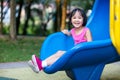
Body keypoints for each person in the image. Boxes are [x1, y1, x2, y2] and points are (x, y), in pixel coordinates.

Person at [28, 8, 92, 73]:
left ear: (83, 19)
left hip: (82, 54)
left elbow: (90, 44)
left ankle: (41, 65)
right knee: (59, 52)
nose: (77, 20)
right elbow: (70, 33)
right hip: (75, 52)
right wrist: (66, 32)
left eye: (79, 18)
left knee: (62, 56)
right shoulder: (73, 30)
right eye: (74, 18)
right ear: (71, 20)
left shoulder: (86, 30)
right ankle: (40, 64)